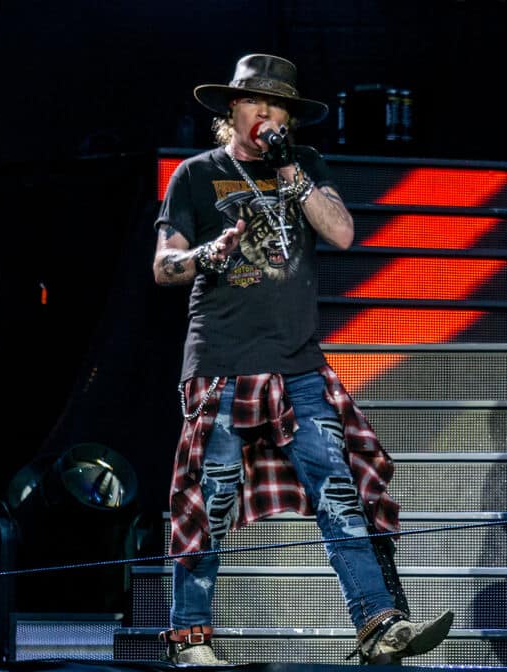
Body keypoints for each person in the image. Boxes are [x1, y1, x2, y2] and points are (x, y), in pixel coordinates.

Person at [152, 54, 452, 666]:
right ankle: (191, 640)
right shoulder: (197, 174)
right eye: (255, 102)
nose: (266, 114)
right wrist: (207, 253)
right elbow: (163, 265)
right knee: (212, 499)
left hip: (298, 365)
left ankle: (377, 626)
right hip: (222, 361)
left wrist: (290, 169)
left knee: (337, 489)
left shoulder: (306, 165)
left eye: (278, 105)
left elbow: (341, 233)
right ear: (232, 108)